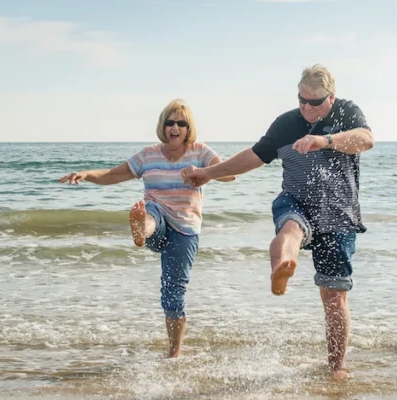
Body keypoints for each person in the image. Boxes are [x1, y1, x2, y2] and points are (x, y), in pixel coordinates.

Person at [182, 65, 373, 378]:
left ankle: (336, 368)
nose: (306, 107)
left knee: (334, 297)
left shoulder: (347, 113)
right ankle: (282, 267)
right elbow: (255, 156)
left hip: (338, 213)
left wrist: (322, 141)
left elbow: (365, 140)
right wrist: (208, 173)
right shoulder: (287, 123)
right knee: (291, 228)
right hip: (296, 199)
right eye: (302, 100)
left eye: (314, 102)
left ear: (331, 98)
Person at [58, 99, 232, 358]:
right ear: (163, 126)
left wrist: (204, 171)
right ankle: (141, 228)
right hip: (157, 218)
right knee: (150, 210)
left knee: (173, 291)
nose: (175, 127)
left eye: (181, 123)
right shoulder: (148, 155)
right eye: (170, 122)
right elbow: (113, 175)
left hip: (185, 230)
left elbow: (229, 174)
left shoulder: (200, 151)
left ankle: (174, 354)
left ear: (188, 128)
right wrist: (87, 173)